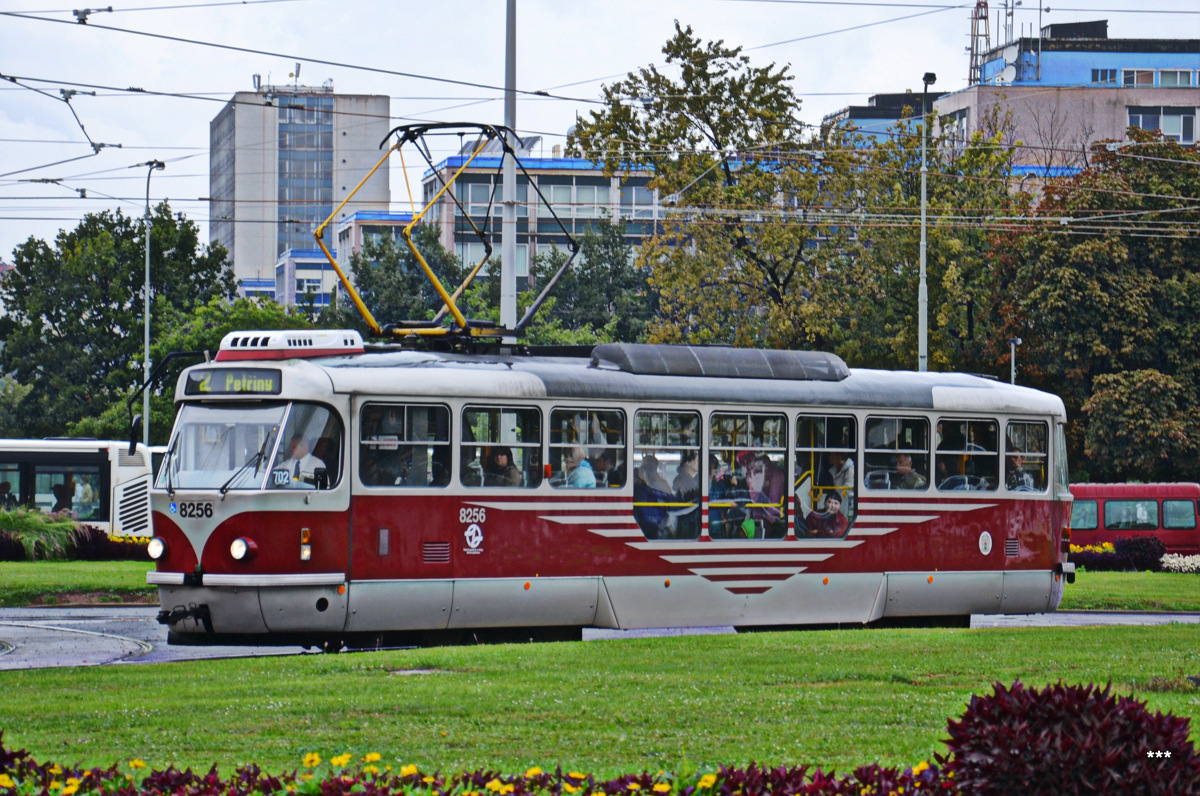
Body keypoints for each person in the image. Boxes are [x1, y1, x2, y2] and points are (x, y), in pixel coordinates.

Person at [739, 451, 786, 535]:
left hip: (769, 525)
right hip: (757, 519)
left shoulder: (776, 476)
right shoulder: (759, 474)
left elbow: (773, 506)